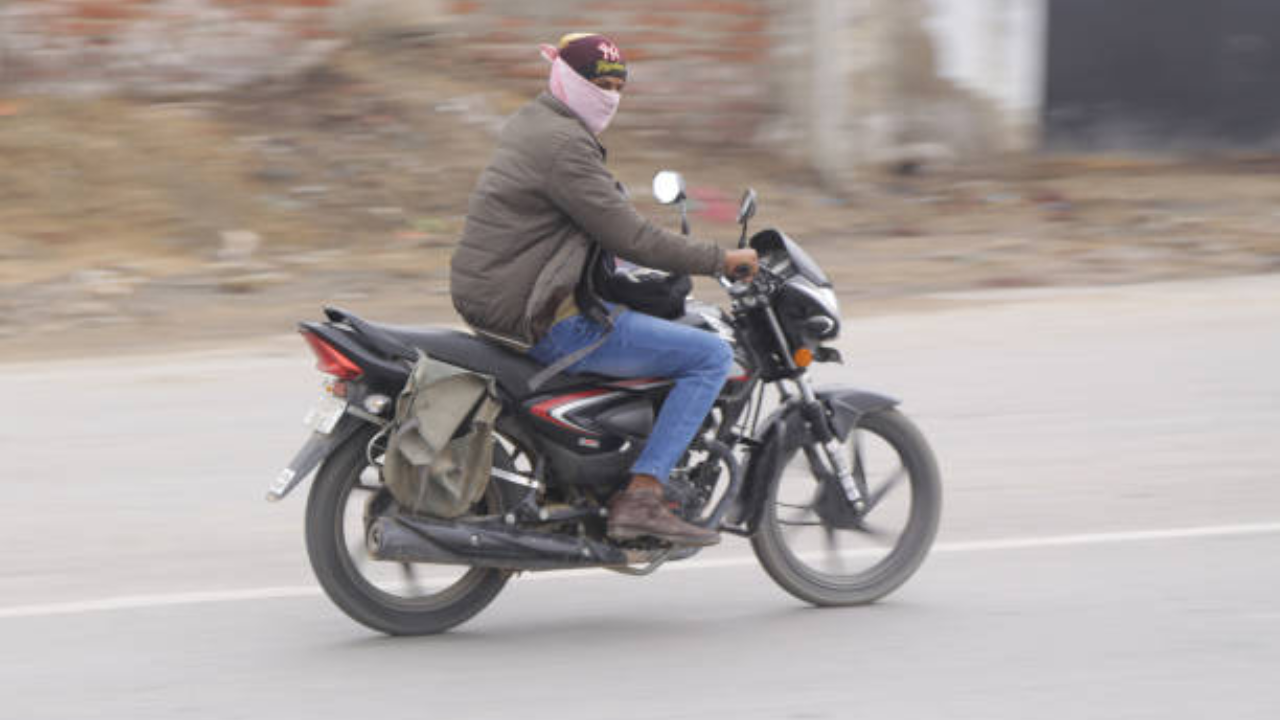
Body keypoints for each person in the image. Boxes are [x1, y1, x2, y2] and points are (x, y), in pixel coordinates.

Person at [450, 33, 758, 546]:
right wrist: (719, 259)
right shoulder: (564, 145)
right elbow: (629, 235)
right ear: (568, 80)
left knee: (644, 324)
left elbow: (593, 230)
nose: (609, 94)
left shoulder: (537, 122)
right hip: (539, 311)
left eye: (618, 84)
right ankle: (642, 496)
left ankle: (601, 466)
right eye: (599, 82)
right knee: (706, 355)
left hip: (507, 293)